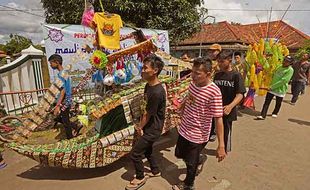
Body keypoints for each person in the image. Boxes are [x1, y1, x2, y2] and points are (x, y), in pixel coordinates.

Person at [172, 57, 226, 190]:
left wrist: (221, 145)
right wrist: (181, 107)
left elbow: (218, 119)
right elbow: (189, 97)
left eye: (197, 73)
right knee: (178, 154)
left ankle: (188, 184)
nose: (193, 76)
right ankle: (199, 159)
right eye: (192, 71)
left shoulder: (214, 92)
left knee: (190, 164)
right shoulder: (193, 84)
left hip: (199, 133)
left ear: (208, 74)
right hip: (185, 127)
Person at [126, 54, 166, 190]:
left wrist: (139, 127)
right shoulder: (148, 86)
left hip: (153, 127)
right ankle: (155, 170)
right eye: (143, 67)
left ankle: (140, 176)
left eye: (145, 68)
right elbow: (145, 107)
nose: (142, 70)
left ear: (155, 71)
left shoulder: (157, 92)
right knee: (147, 150)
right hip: (149, 125)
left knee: (135, 154)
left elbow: (149, 114)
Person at [213, 50, 246, 153]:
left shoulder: (236, 76)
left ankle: (224, 149)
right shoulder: (217, 75)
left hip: (228, 109)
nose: (219, 64)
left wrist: (230, 106)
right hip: (215, 108)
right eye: (218, 61)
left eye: (222, 61)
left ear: (229, 60)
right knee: (213, 128)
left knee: (226, 130)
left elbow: (240, 94)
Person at [48, 54, 81, 139]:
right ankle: (75, 126)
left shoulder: (61, 74)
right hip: (66, 100)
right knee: (58, 117)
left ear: (57, 62)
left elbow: (63, 91)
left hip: (64, 101)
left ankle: (70, 139)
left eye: (51, 63)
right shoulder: (64, 73)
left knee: (65, 122)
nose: (50, 65)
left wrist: (58, 105)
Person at [256, 56, 294, 120]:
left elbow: (284, 80)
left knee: (278, 102)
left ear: (290, 63)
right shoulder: (279, 66)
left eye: (287, 61)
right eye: (284, 60)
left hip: (280, 89)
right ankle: (263, 115)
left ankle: (275, 112)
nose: (285, 62)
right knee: (267, 102)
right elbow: (273, 74)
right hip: (271, 87)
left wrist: (272, 87)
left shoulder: (290, 70)